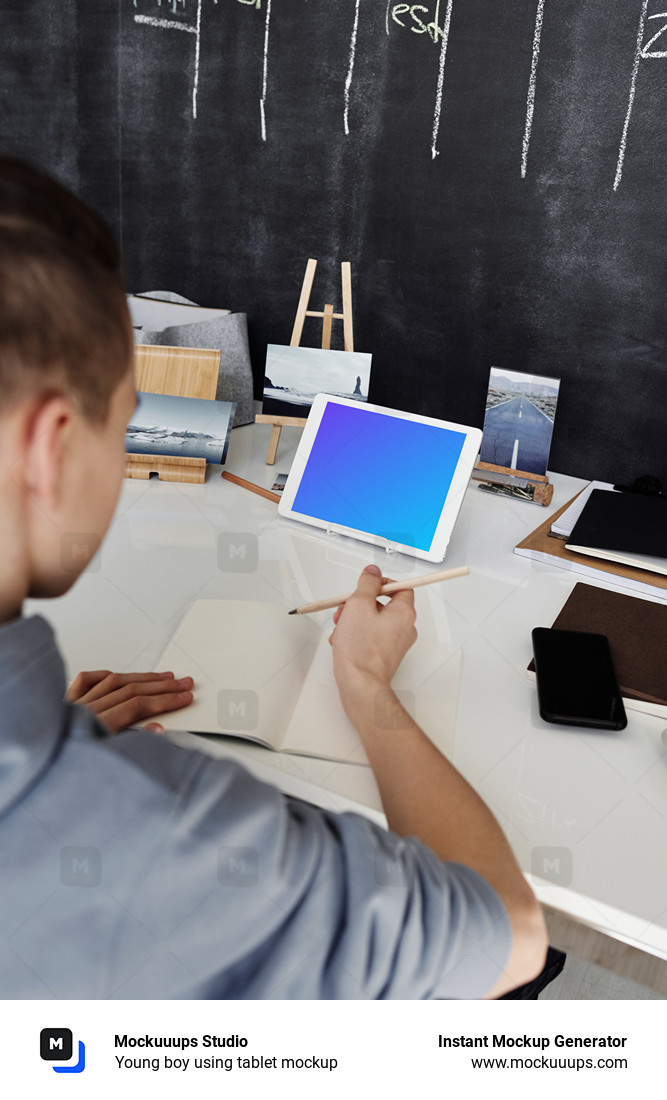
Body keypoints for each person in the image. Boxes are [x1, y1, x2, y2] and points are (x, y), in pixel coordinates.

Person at [0, 155, 547, 999]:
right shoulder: (175, 841)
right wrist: (365, 685)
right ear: (49, 449)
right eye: (127, 420)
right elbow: (507, 937)